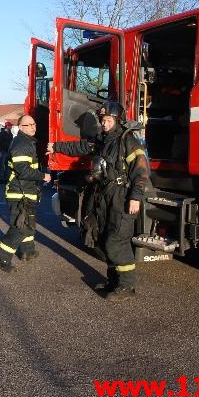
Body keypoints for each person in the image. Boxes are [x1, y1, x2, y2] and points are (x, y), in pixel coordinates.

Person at [46, 102, 150, 301]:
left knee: (116, 240)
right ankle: (114, 281)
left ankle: (127, 287)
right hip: (104, 194)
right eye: (102, 120)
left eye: (108, 120)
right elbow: (81, 146)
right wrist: (56, 147)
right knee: (103, 238)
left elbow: (140, 172)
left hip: (122, 196)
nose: (104, 124)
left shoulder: (128, 141)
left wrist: (135, 197)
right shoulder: (102, 140)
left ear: (117, 120)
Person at [0, 115, 51, 273]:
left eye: (34, 124)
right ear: (20, 127)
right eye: (28, 125)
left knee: (28, 223)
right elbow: (23, 170)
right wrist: (42, 176)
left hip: (26, 192)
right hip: (19, 193)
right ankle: (2, 257)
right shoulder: (21, 144)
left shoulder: (27, 142)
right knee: (18, 227)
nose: (33, 127)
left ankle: (27, 251)